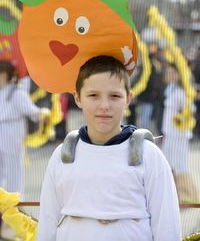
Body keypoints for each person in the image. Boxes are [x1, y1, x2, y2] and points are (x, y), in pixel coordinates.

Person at [37, 55, 181, 241]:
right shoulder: (62, 156)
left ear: (128, 99)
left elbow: (167, 226)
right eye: (93, 95)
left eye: (114, 96)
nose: (104, 106)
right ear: (78, 97)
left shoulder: (149, 155)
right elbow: (48, 222)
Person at [0, 60, 50, 240]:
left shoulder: (17, 92)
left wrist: (44, 113)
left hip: (12, 135)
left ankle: (14, 213)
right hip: (1, 133)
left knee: (14, 175)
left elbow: (31, 110)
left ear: (7, 74)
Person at [161, 63, 199, 203]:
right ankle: (176, 195)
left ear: (179, 74)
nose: (169, 75)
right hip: (169, 132)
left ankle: (188, 196)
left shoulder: (182, 92)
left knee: (180, 164)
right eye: (168, 72)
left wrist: (181, 116)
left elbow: (191, 109)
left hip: (179, 134)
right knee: (169, 162)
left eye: (172, 72)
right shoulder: (170, 89)